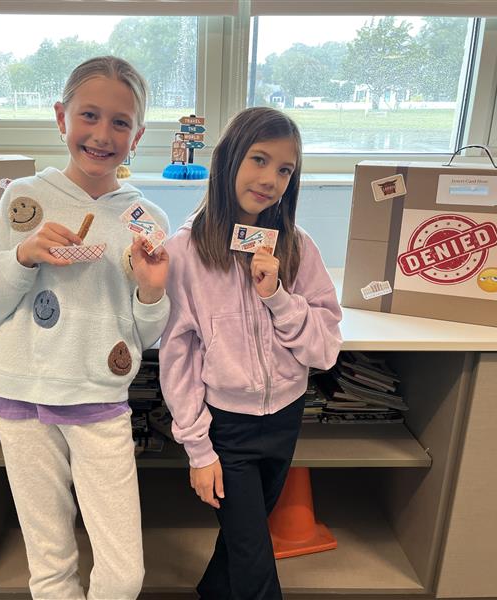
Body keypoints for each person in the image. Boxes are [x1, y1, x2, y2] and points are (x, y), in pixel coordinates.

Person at [0, 56, 170, 600]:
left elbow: (146, 333)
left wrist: (152, 290)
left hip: (98, 397)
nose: (102, 134)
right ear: (62, 117)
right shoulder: (23, 198)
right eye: (89, 115)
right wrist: (24, 256)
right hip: (19, 394)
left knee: (122, 573)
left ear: (138, 135)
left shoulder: (146, 219)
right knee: (50, 565)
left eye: (120, 122)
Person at [159, 106, 342, 599]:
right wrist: (199, 449)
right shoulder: (185, 254)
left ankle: (211, 593)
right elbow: (177, 359)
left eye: (285, 169)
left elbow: (325, 350)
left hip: (284, 418)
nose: (271, 179)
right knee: (254, 557)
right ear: (228, 161)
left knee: (246, 535)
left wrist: (277, 296)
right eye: (259, 160)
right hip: (227, 428)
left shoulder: (298, 248)